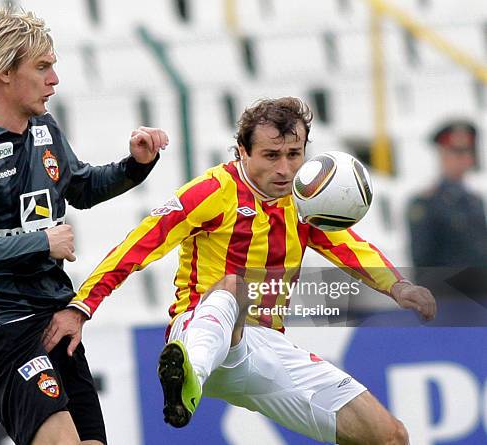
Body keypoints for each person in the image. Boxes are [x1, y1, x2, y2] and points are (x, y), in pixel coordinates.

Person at [43, 97, 436, 444]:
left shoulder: (304, 201)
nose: (285, 169)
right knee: (235, 284)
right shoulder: (212, 192)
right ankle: (184, 378)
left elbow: (348, 246)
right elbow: (138, 246)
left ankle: (190, 378)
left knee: (389, 435)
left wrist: (398, 286)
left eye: (294, 154)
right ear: (241, 152)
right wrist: (81, 307)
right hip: (202, 333)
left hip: (266, 348)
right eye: (271, 155)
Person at [0, 7, 168, 445]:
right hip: (2, 326)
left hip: (55, 315)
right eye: (43, 67)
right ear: (4, 71)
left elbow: (80, 186)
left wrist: (135, 166)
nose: (55, 79)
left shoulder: (44, 128)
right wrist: (41, 242)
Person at [407, 120, 487, 290]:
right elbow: (423, 263)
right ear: (442, 154)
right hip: (448, 298)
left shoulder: (475, 201)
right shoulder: (425, 203)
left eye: (467, 152)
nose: (464, 159)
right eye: (456, 153)